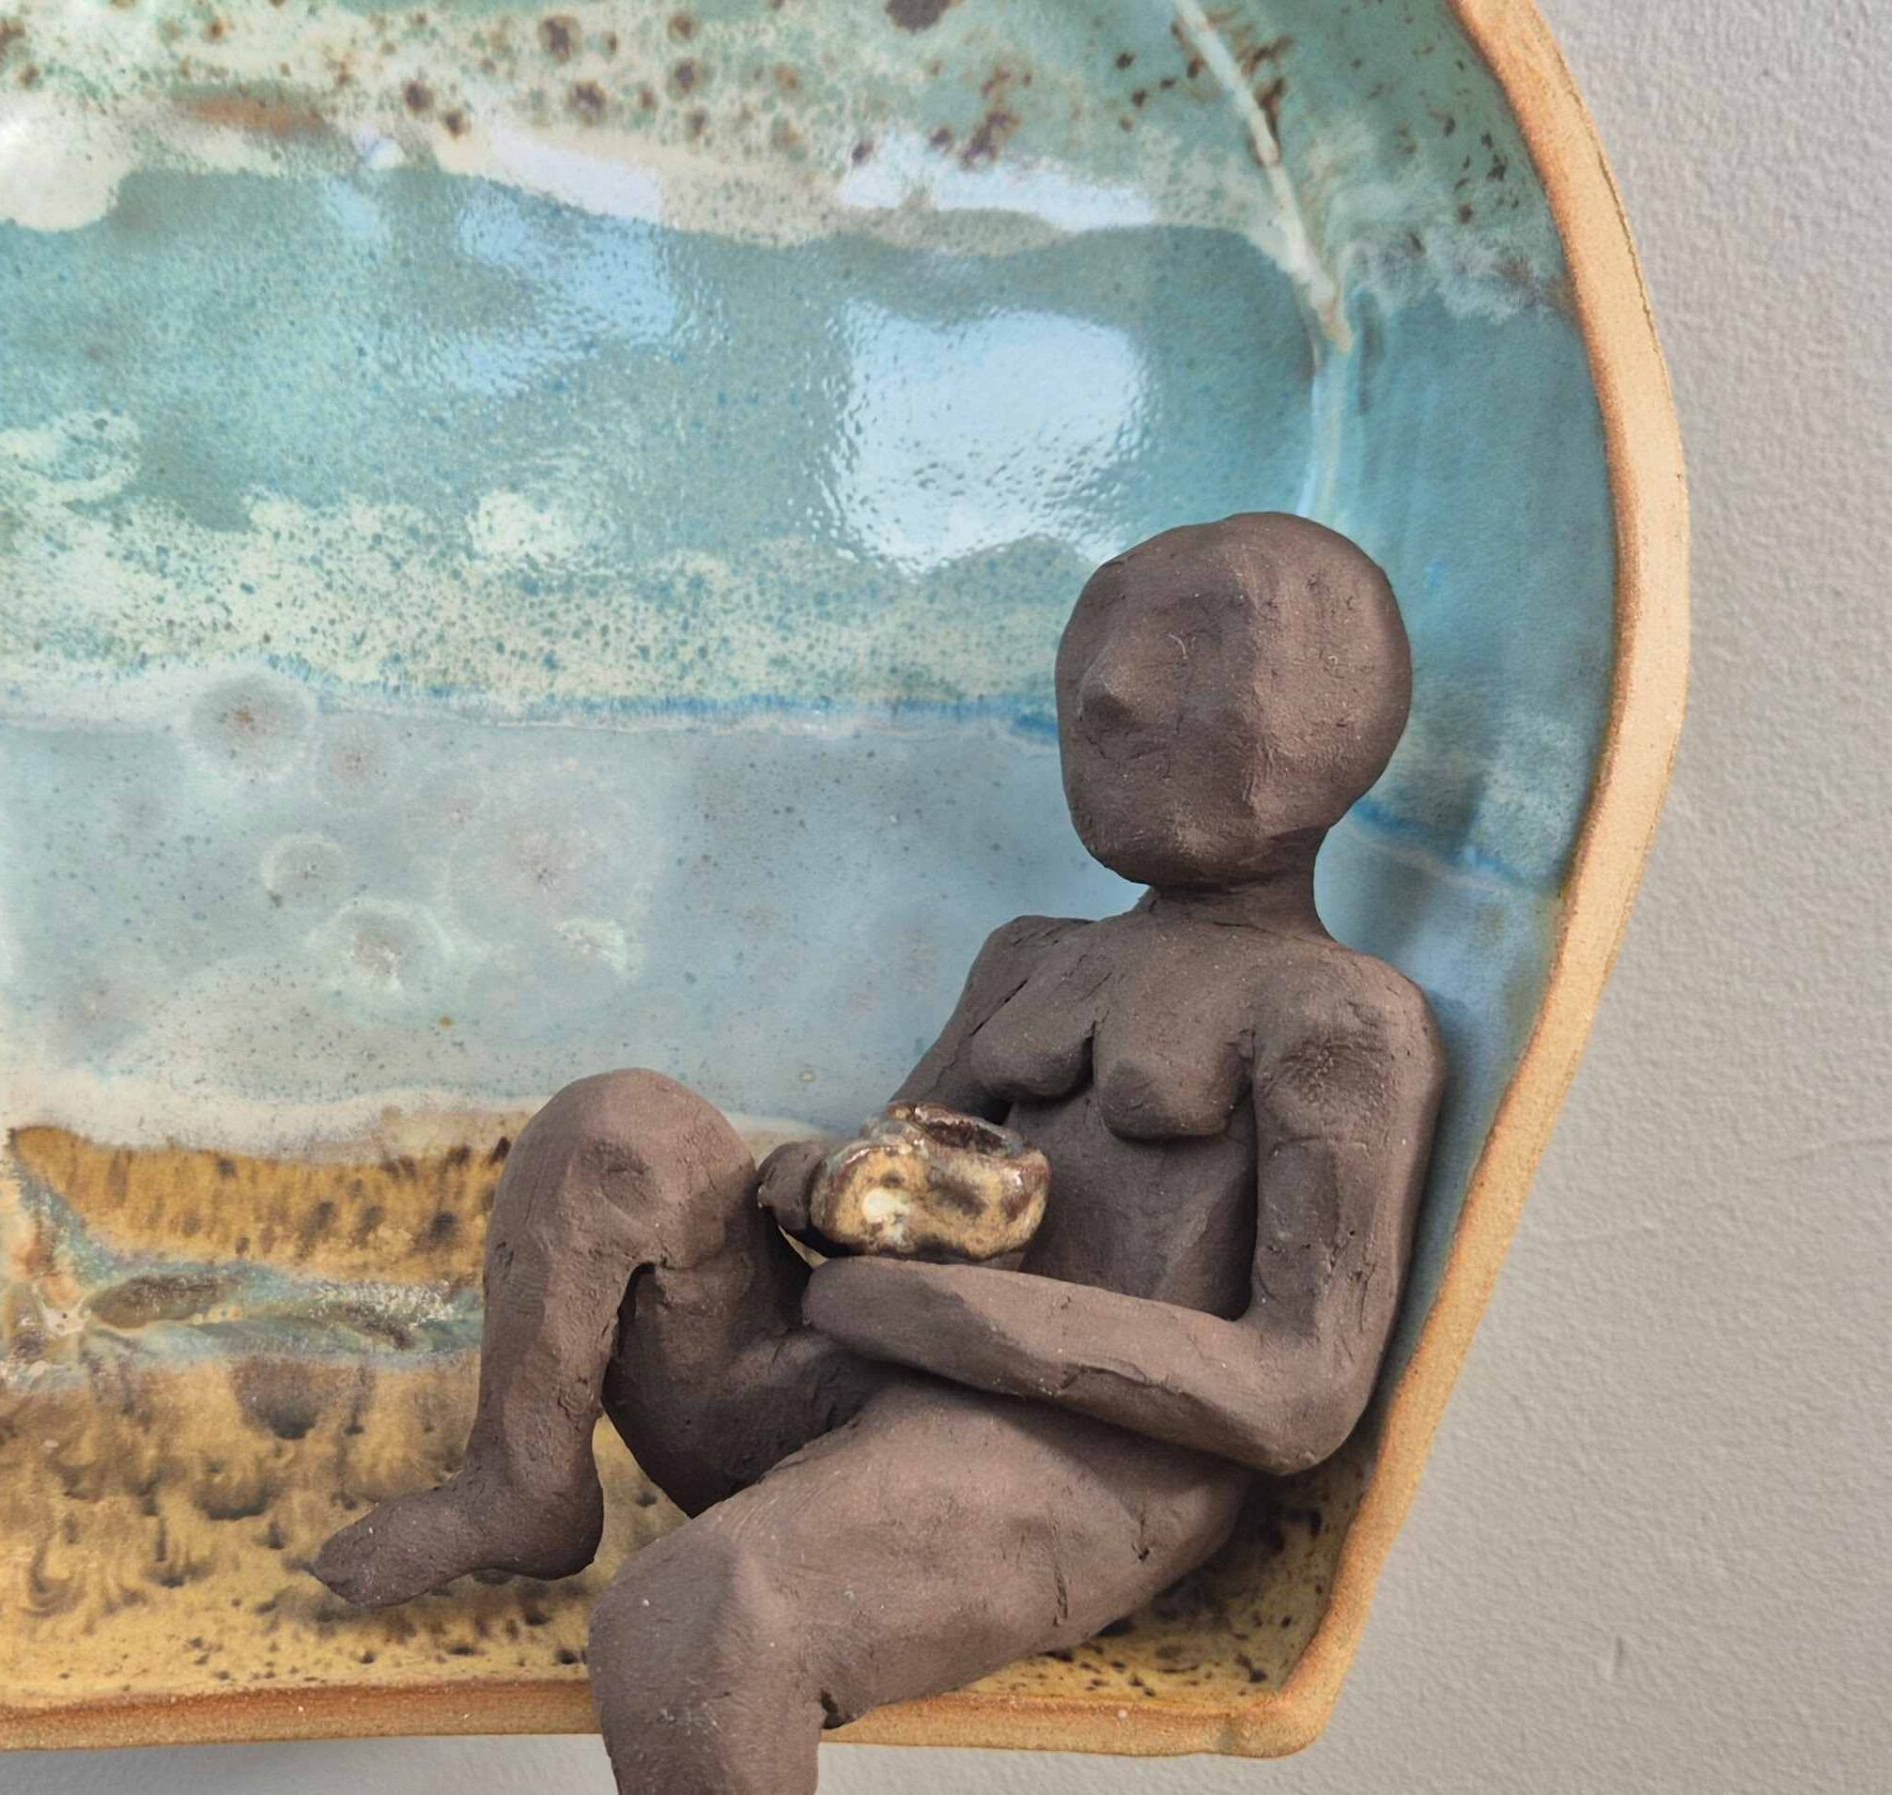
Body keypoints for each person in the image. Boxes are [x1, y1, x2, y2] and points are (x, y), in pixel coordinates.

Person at [311, 513, 1447, 1795]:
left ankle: (747, 1581)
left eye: (1193, 644)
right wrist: (820, 1187)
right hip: (849, 1382)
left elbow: (1300, 1391)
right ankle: (520, 1482)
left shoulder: (1340, 1019)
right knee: (617, 1130)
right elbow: (881, 1181)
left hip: (1076, 1462)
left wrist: (953, 1317)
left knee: (701, 1615)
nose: (1110, 689)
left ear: (1332, 714)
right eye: (1100, 640)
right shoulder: (1033, 957)